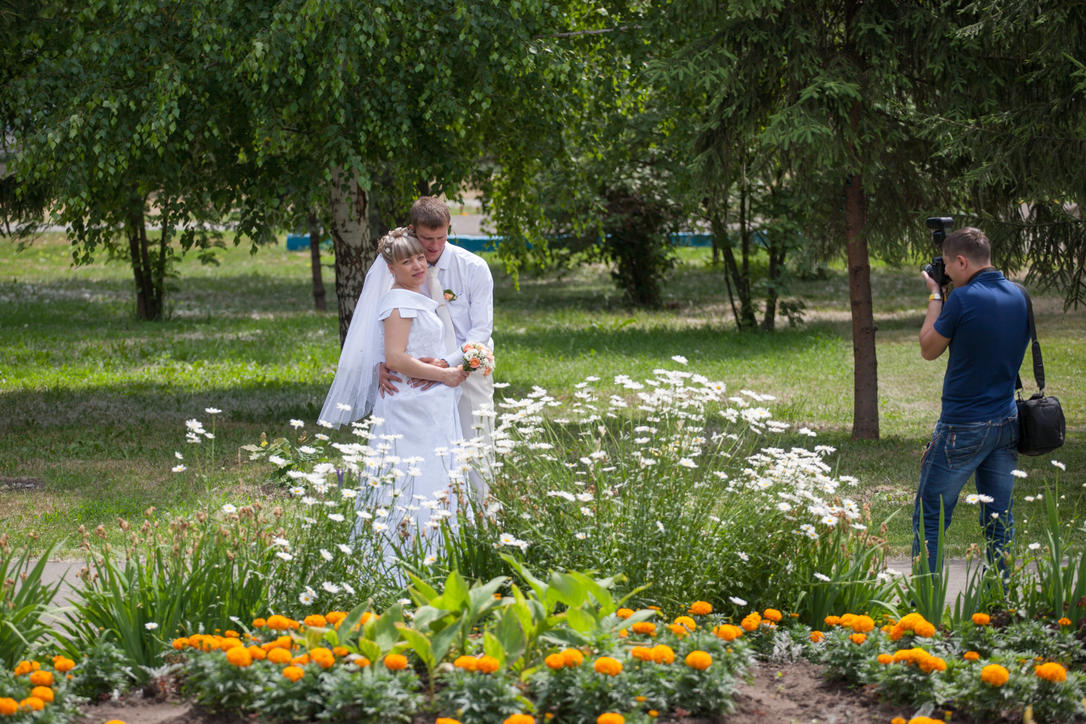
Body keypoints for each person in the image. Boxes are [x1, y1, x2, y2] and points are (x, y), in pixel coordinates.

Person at [913, 226, 1029, 573]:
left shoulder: (962, 299)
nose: (946, 273)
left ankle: (925, 599)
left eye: (948, 266)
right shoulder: (1020, 296)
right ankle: (1001, 598)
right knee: (999, 519)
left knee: (931, 516)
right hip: (1006, 422)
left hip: (962, 426)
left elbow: (928, 348)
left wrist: (936, 295)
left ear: (962, 261)